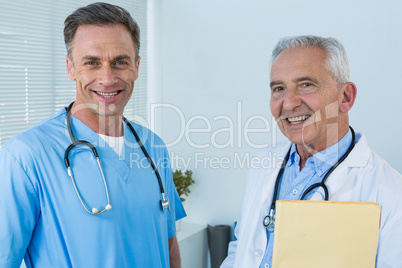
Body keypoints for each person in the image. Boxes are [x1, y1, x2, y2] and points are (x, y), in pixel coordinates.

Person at [0, 2, 185, 268]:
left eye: (120, 62)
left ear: (136, 66)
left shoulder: (153, 146)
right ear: (70, 68)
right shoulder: (25, 157)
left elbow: (168, 243)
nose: (107, 78)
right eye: (92, 63)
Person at [221, 35, 402, 267]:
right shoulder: (263, 162)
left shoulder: (390, 193)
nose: (288, 103)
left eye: (306, 84)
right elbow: (241, 248)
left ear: (345, 97)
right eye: (279, 88)